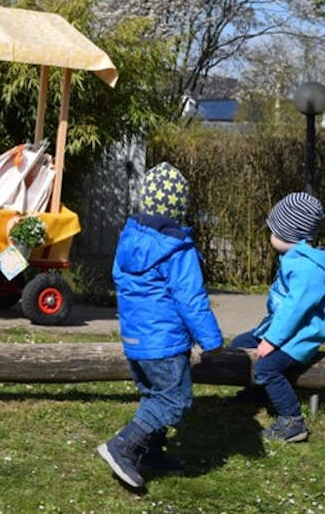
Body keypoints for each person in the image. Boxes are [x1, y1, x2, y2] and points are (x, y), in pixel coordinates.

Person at [97, 162, 223, 488]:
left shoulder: (129, 240)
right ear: (179, 206)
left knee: (153, 394)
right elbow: (190, 299)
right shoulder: (178, 249)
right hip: (164, 343)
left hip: (135, 341)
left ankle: (149, 452)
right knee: (173, 400)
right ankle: (122, 446)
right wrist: (211, 340)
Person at [229, 192, 325, 443]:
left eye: (273, 230)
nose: (270, 235)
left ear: (288, 234)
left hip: (299, 337)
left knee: (267, 366)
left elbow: (293, 312)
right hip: (281, 330)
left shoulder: (307, 268)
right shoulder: (294, 260)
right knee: (239, 345)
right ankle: (259, 391)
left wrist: (272, 341)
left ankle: (292, 420)